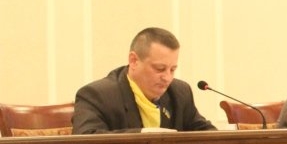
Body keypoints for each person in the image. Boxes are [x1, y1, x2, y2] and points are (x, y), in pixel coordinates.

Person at [73, 27, 215, 134]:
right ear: (134, 61)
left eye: (172, 69)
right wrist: (144, 135)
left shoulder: (179, 92)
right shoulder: (97, 95)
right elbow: (85, 139)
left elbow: (207, 134)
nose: (167, 78)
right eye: (160, 68)